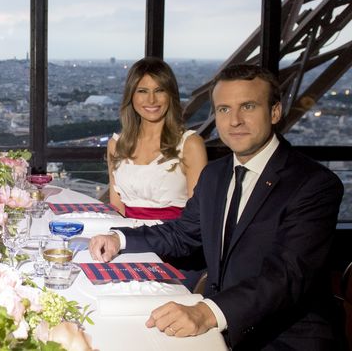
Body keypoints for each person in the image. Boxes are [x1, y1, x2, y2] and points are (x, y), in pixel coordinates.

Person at [90, 64, 344, 349]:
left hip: (284, 337)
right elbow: (184, 233)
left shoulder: (314, 184)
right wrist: (120, 238)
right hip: (222, 323)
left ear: (274, 112)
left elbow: (287, 276)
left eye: (247, 106)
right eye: (223, 109)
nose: (234, 120)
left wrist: (208, 312)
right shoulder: (216, 175)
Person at [107, 57, 207, 290]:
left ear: (170, 95)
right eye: (142, 91)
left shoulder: (190, 144)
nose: (151, 100)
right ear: (131, 96)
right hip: (128, 246)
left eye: (159, 90)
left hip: (176, 252)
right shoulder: (116, 145)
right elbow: (117, 208)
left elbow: (197, 218)